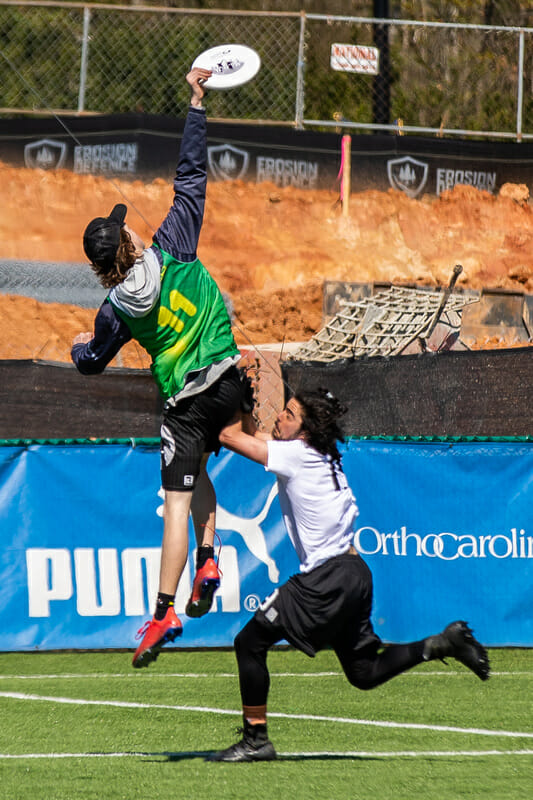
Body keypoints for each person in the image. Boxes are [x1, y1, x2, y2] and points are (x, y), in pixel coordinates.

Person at [210, 387, 490, 762]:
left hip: (330, 576)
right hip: (355, 572)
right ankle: (441, 644)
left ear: (305, 430)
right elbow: (251, 435)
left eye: (289, 414)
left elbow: (228, 437)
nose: (280, 417)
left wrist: (227, 394)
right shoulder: (316, 453)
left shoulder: (296, 454)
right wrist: (246, 404)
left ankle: (256, 739)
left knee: (249, 643)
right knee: (364, 671)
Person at [71, 68, 244, 669]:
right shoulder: (173, 243)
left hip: (187, 404)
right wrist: (196, 103)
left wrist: (78, 349)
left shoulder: (114, 309)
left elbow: (92, 363)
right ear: (129, 240)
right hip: (231, 380)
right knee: (199, 475)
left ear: (100, 268)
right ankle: (209, 557)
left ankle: (165, 609)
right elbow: (192, 175)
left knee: (174, 499)